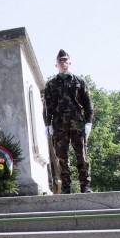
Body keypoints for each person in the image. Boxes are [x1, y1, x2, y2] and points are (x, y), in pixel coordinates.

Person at [43, 49, 94, 194]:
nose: (63, 62)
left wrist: (88, 122)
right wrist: (47, 124)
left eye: (65, 60)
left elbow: (88, 104)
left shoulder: (79, 81)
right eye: (60, 61)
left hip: (77, 122)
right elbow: (47, 107)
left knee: (81, 154)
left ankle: (85, 185)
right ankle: (66, 186)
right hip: (59, 124)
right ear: (56, 64)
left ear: (70, 62)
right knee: (61, 156)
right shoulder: (51, 84)